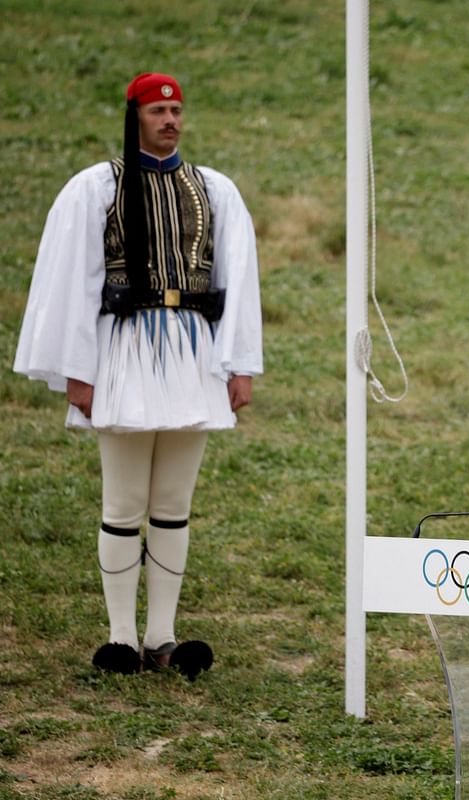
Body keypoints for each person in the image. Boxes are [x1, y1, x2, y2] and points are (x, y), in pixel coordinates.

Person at [13, 73, 262, 679]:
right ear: (136, 116)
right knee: (124, 501)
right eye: (158, 110)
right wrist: (79, 370)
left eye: (176, 110)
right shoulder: (97, 187)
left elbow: (239, 277)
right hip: (123, 350)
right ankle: (121, 638)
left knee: (174, 503)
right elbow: (72, 280)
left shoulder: (214, 190)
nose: (170, 120)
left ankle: (163, 636)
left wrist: (240, 364)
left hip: (193, 355)